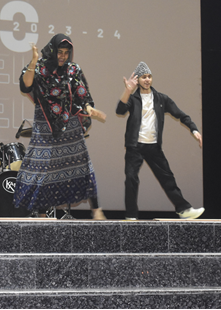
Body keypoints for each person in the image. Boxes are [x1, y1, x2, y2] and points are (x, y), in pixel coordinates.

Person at [14, 34, 106, 219]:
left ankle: (96, 209)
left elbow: (82, 94)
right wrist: (33, 61)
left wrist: (89, 108)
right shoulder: (39, 67)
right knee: (43, 169)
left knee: (82, 164)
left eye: (66, 52)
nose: (63, 56)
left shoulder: (73, 69)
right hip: (45, 124)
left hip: (69, 123)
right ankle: (42, 214)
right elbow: (26, 85)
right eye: (60, 52)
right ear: (52, 50)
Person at [116, 62, 204, 220]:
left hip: (153, 147)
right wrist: (128, 90)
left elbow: (181, 115)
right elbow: (120, 110)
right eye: (144, 77)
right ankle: (130, 216)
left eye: (149, 76)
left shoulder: (161, 98)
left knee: (167, 178)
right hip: (135, 147)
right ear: (138, 80)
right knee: (131, 179)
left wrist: (194, 130)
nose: (147, 80)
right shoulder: (133, 98)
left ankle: (184, 209)